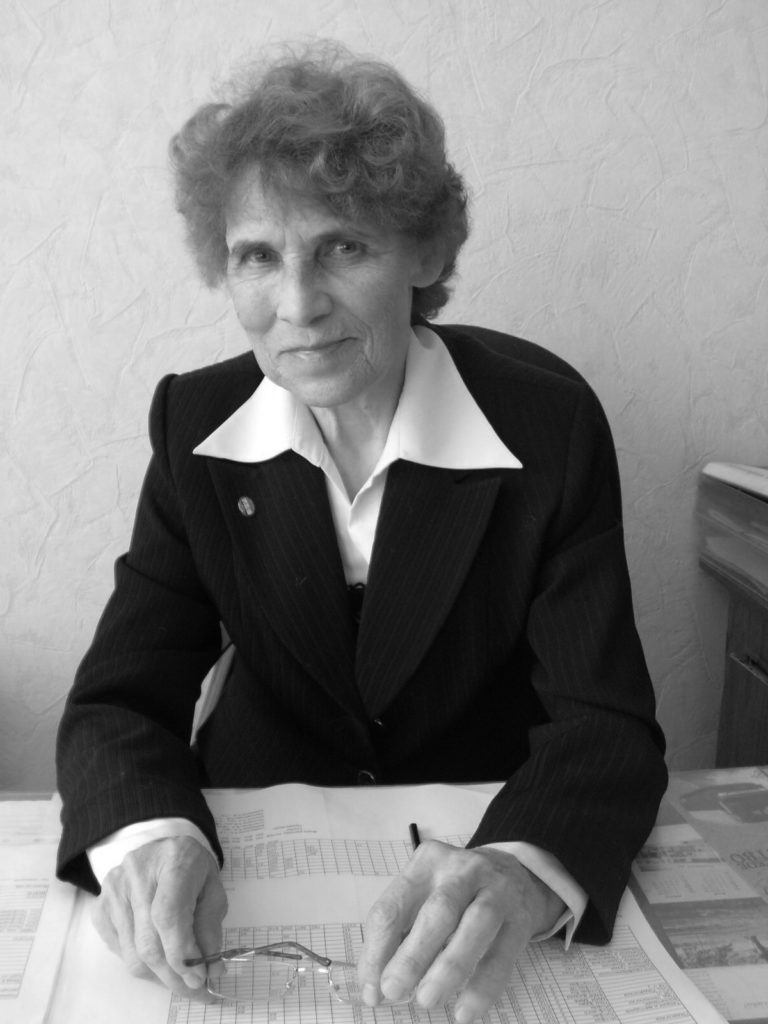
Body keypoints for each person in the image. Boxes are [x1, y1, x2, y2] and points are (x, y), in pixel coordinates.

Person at [55, 42, 667, 1023]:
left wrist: (520, 869)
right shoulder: (193, 427)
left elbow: (605, 723)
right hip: (253, 858)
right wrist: (152, 834)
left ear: (424, 253)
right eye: (259, 255)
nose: (297, 306)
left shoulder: (548, 427)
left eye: (342, 246)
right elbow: (120, 699)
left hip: (478, 836)